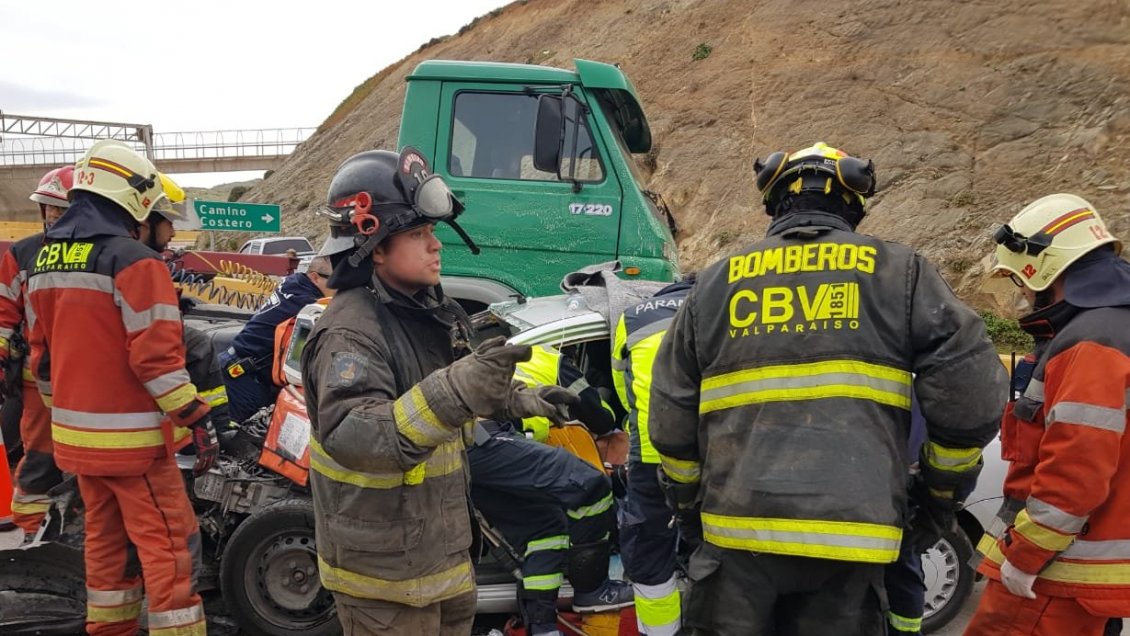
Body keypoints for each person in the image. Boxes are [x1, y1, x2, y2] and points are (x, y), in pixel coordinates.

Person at [648, 142, 1008, 635]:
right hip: (853, 543)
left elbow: (670, 418)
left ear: (774, 206)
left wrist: (690, 512)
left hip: (735, 540)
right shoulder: (899, 274)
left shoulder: (715, 284)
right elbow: (970, 400)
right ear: (853, 207)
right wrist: (935, 498)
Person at [300, 147, 575, 635]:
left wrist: (519, 400)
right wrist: (458, 389)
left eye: (433, 232)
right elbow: (357, 436)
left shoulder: (422, 310)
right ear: (375, 246)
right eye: (418, 233)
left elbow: (445, 397)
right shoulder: (351, 332)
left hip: (440, 560)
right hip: (384, 580)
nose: (435, 245)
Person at [26, 140, 219, 636]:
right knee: (170, 551)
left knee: (106, 548)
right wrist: (197, 419)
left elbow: (41, 361)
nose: (170, 229)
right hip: (136, 449)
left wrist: (70, 415)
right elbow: (157, 360)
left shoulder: (47, 262)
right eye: (162, 214)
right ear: (134, 204)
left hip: (76, 443)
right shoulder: (135, 262)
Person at [966, 193, 1130, 635]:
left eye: (1021, 277)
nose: (1022, 290)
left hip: (1054, 579)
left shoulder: (1090, 343)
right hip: (1083, 576)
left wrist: (1025, 557)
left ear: (1045, 265)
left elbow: (1075, 471)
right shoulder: (1113, 327)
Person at [468, 344, 631, 636]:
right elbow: (599, 416)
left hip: (474, 451)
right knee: (590, 484)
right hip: (482, 440)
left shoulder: (504, 353)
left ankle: (542, 627)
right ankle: (593, 591)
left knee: (545, 528)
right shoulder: (553, 359)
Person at [610, 276, 695, 636]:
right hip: (710, 454)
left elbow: (621, 387)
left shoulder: (630, 319)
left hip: (650, 452)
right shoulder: (720, 310)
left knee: (648, 550)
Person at [0, 166, 72, 535]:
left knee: (90, 460)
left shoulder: (93, 254)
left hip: (83, 380)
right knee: (40, 460)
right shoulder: (23, 252)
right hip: (36, 381)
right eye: (48, 208)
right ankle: (31, 534)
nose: (53, 216)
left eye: (60, 209)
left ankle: (79, 530)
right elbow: (4, 312)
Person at [220, 254, 334, 423]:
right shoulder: (306, 304)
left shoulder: (293, 284)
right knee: (232, 438)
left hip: (237, 366)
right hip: (244, 379)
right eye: (335, 280)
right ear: (315, 277)